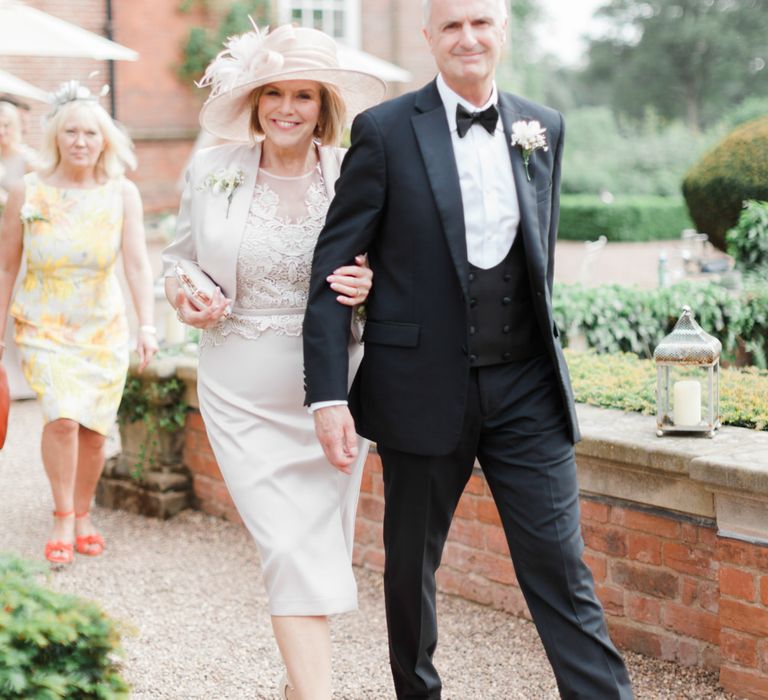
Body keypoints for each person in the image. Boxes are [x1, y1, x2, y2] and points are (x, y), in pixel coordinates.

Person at [303, 0, 634, 698]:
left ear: (503, 32)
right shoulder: (385, 132)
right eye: (452, 25)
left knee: (559, 564)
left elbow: (534, 259)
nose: (468, 37)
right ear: (429, 38)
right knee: (410, 569)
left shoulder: (543, 127)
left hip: (526, 386)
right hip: (418, 382)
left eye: (482, 22)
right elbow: (334, 272)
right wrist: (328, 393)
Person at [161, 25, 385, 700]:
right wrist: (184, 292)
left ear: (324, 106)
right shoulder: (212, 168)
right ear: (255, 101)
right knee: (287, 546)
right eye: (275, 94)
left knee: (317, 544)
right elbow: (178, 258)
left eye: (304, 96)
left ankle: (296, 691)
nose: (287, 108)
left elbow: (398, 263)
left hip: (334, 386)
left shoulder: (353, 170)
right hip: (240, 385)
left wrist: (375, 284)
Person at [0, 81, 158, 566]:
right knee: (64, 418)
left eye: (91, 132)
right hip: (42, 322)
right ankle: (62, 514)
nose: (81, 141)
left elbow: (136, 263)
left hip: (101, 326)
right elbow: (6, 264)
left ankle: (85, 513)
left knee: (93, 430)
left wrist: (147, 325)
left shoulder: (121, 193)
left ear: (105, 139)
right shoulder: (27, 190)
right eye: (71, 131)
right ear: (55, 136)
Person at [0, 100, 38, 399]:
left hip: (20, 244)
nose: (1, 131)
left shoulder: (29, 162)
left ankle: (24, 375)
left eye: (6, 125)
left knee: (17, 305)